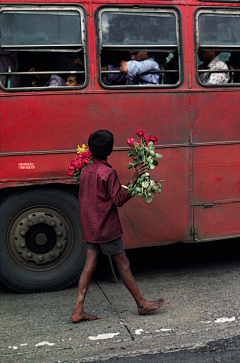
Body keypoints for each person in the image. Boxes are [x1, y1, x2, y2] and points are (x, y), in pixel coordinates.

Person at [71, 130, 164, 323]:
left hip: (90, 227)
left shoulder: (86, 170)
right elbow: (118, 200)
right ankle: (141, 303)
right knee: (124, 265)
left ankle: (78, 310)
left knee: (89, 266)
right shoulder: (108, 172)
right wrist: (134, 178)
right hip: (106, 228)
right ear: (110, 150)